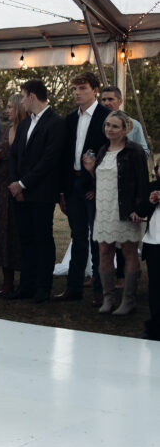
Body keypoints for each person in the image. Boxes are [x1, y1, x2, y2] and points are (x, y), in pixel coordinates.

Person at [82, 111, 148, 315]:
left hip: (125, 210)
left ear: (125, 129)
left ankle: (128, 301)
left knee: (128, 252)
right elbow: (102, 180)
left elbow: (142, 183)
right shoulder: (102, 150)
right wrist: (91, 170)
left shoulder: (135, 151)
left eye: (115, 126)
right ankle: (108, 298)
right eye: (107, 125)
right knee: (104, 252)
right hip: (103, 209)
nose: (109, 129)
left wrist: (139, 210)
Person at [8, 79, 66, 303]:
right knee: (25, 239)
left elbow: (49, 160)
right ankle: (26, 285)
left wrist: (23, 184)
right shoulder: (24, 124)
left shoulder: (56, 123)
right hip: (19, 193)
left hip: (41, 193)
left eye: (22, 96)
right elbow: (14, 156)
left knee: (42, 239)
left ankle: (43, 287)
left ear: (32, 96)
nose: (21, 101)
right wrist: (15, 184)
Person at [57, 72, 109, 304]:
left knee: (98, 240)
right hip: (72, 184)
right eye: (75, 88)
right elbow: (64, 156)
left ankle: (100, 291)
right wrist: (62, 191)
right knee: (77, 237)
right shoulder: (69, 119)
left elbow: (113, 155)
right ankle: (74, 287)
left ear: (95, 90)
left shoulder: (107, 117)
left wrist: (98, 185)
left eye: (83, 88)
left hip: (94, 184)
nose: (77, 92)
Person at [0, 94, 24, 297]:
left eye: (11, 107)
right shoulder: (5, 130)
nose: (7, 110)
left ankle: (24, 279)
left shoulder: (27, 129)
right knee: (2, 232)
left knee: (19, 233)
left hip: (19, 186)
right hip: (1, 187)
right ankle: (7, 281)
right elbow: (1, 155)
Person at [141, 160, 160, 340]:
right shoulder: (152, 187)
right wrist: (150, 201)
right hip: (154, 242)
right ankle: (155, 322)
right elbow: (140, 211)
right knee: (155, 285)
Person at [100, 86, 150, 156]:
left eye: (110, 99)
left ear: (120, 101)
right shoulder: (97, 123)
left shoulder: (134, 125)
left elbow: (145, 152)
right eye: (103, 100)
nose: (106, 103)